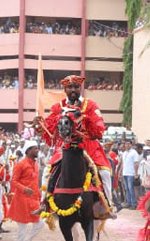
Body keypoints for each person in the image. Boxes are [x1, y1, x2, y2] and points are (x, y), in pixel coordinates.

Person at [36, 75, 115, 211]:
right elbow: (49, 129)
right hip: (64, 146)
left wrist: (86, 119)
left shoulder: (90, 105)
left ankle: (108, 204)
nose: (73, 90)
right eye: (70, 87)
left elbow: (98, 125)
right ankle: (44, 203)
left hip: (88, 145)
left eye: (76, 87)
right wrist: (39, 127)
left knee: (105, 173)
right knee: (47, 172)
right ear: (65, 89)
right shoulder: (57, 107)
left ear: (80, 88)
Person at [9, 141, 43, 241]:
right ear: (28, 151)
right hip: (22, 200)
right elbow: (13, 181)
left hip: (33, 199)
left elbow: (36, 182)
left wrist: (39, 197)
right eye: (35, 148)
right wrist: (24, 189)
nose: (37, 150)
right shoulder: (20, 164)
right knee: (22, 226)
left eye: (37, 148)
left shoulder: (36, 164)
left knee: (40, 223)